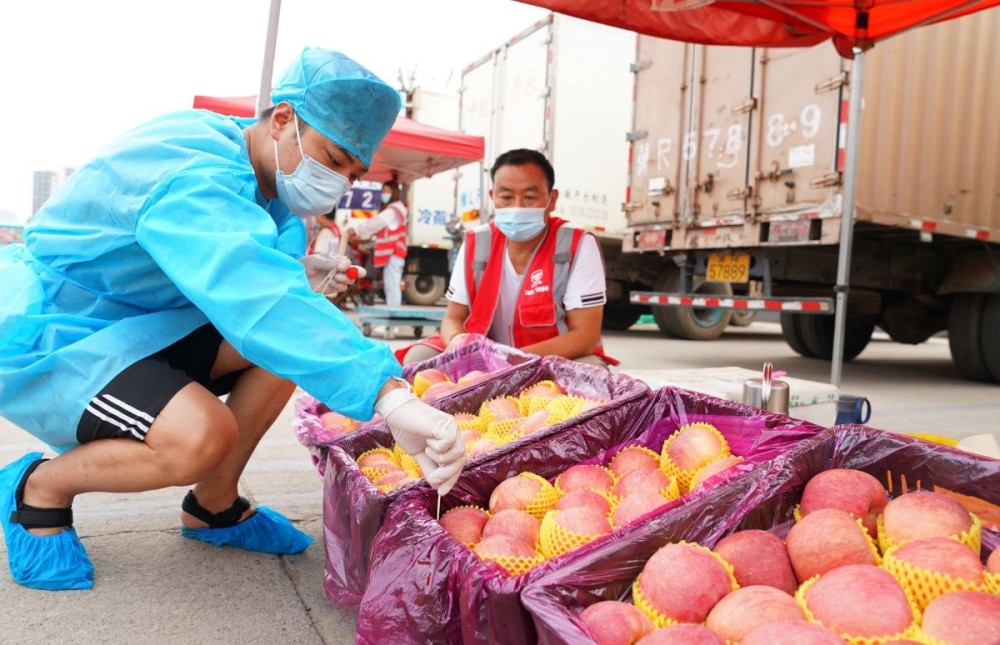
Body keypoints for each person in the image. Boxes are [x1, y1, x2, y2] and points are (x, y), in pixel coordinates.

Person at [0, 48, 466, 591]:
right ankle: (39, 488)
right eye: (333, 158)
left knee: (281, 350)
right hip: (64, 328)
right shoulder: (195, 169)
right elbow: (247, 287)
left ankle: (213, 504)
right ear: (285, 119)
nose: (336, 183)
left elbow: (256, 286)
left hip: (145, 324)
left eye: (351, 172)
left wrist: (294, 275)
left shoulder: (264, 184)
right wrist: (390, 395)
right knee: (201, 435)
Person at [400, 148, 616, 368]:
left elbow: (586, 336)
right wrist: (457, 340)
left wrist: (511, 360)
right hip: (482, 357)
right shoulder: (477, 241)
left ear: (552, 199)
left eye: (530, 197)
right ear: (493, 197)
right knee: (418, 358)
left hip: (550, 359)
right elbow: (452, 317)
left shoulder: (577, 244)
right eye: (506, 197)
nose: (517, 206)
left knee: (592, 371)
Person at [347, 180, 407, 308]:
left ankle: (392, 319)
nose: (385, 194)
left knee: (392, 285)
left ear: (395, 193)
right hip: (395, 253)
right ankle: (391, 321)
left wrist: (356, 230)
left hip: (393, 253)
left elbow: (375, 223)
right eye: (383, 191)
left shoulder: (393, 210)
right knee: (392, 285)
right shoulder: (398, 209)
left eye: (388, 191)